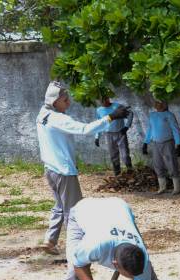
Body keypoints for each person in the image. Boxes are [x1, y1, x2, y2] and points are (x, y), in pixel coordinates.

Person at [36, 81, 129, 255]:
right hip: (63, 171)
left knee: (59, 205)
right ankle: (76, 249)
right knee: (74, 210)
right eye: (65, 100)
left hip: (50, 169)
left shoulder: (43, 114)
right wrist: (111, 117)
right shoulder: (59, 119)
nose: (69, 102)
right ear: (55, 101)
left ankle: (50, 240)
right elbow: (85, 129)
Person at [143, 100, 180, 195]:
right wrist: (145, 143)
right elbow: (150, 129)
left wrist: (178, 144)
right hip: (156, 143)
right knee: (158, 163)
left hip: (168, 142)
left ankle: (176, 188)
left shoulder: (169, 115)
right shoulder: (152, 115)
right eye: (156, 103)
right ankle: (162, 187)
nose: (157, 105)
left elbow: (175, 129)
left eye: (160, 103)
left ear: (164, 104)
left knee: (171, 163)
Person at [94, 95, 133, 176]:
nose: (103, 101)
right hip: (108, 134)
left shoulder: (117, 106)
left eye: (105, 99)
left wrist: (126, 127)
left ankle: (130, 171)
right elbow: (99, 124)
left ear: (108, 98)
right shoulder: (99, 110)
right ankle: (117, 173)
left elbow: (130, 113)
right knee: (113, 155)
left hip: (120, 132)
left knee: (125, 154)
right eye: (101, 100)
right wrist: (97, 137)